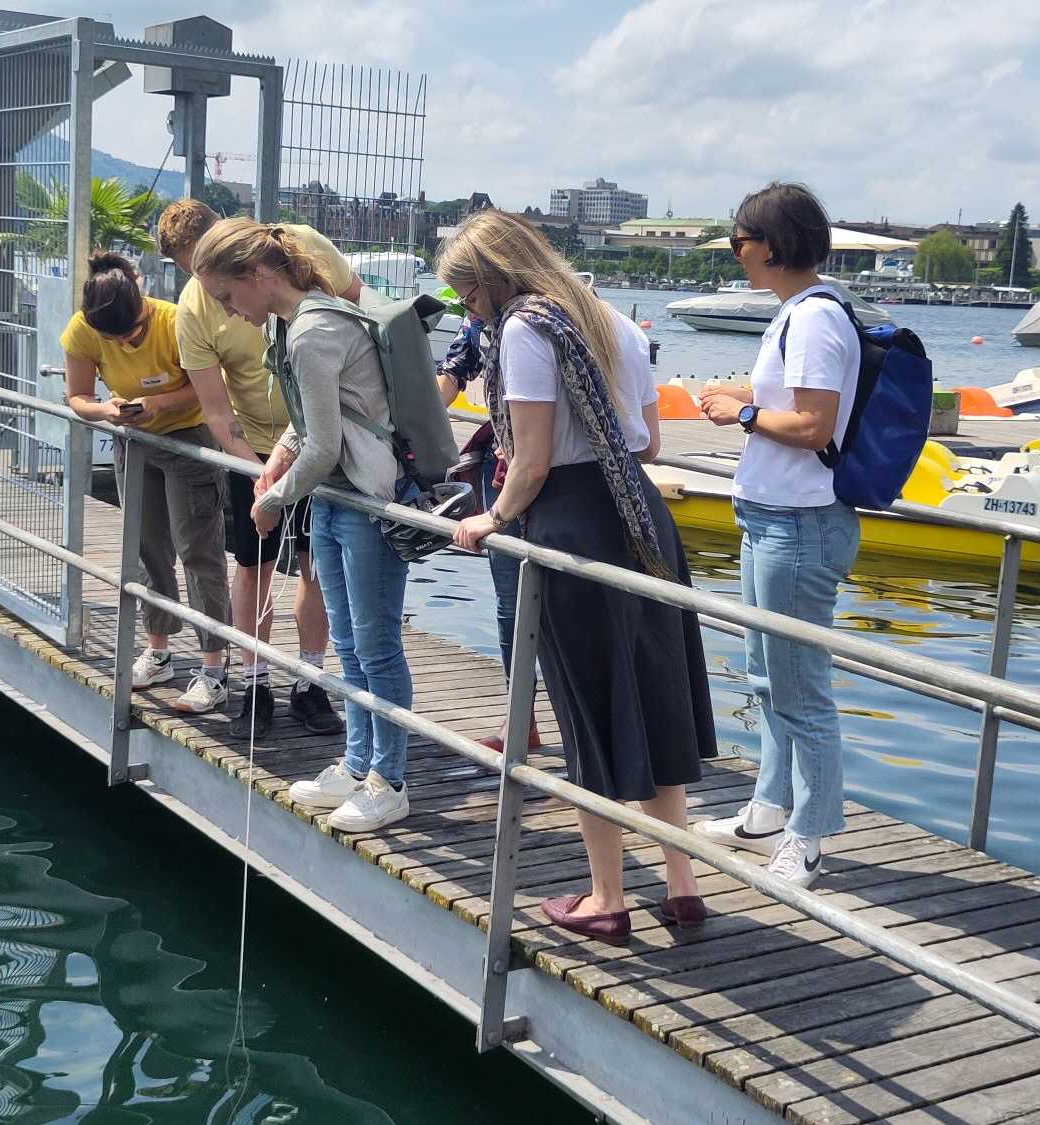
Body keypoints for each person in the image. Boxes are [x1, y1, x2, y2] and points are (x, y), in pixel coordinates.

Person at [441, 209, 716, 944]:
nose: (471, 312)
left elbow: (529, 462)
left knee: (586, 711)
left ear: (495, 279)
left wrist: (488, 518)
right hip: (641, 516)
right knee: (655, 697)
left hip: (572, 522)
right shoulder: (613, 323)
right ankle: (682, 887)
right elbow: (650, 442)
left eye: (469, 296)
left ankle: (606, 896)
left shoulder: (527, 329)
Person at [188, 218, 412, 833]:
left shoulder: (314, 331)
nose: (231, 314)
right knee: (347, 638)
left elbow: (324, 442)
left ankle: (387, 780)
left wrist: (274, 497)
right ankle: (360, 759)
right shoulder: (298, 326)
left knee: (375, 643)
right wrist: (279, 466)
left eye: (230, 299)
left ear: (259, 276)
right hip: (339, 499)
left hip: (365, 500)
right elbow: (308, 424)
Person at [694, 183, 863, 889]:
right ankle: (769, 805)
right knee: (766, 676)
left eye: (739, 240)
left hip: (800, 524)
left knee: (800, 687)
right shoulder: (793, 314)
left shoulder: (816, 319)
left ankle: (811, 833)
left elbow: (814, 426)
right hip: (769, 519)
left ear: (770, 243)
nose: (735, 253)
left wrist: (740, 414)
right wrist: (743, 399)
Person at [156, 199, 356, 735]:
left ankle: (311, 681)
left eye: (219, 279)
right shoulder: (194, 308)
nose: (219, 299)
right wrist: (261, 473)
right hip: (256, 450)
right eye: (193, 274)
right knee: (252, 566)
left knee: (317, 564)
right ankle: (254, 680)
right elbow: (216, 412)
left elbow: (361, 317)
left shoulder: (305, 250)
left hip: (324, 441)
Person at [62, 250, 234, 715]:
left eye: (133, 330)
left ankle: (214, 668)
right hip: (133, 442)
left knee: (199, 550)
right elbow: (77, 396)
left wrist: (156, 406)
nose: (128, 341)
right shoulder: (82, 329)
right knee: (144, 548)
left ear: (143, 305)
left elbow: (207, 386)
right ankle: (157, 650)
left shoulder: (175, 320)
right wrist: (108, 411)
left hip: (190, 441)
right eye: (115, 338)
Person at [436, 314, 538, 753]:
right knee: (511, 602)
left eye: (471, 292)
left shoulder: (535, 320)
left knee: (556, 602)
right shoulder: (480, 322)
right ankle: (521, 718)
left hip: (545, 470)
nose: (468, 304)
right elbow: (453, 372)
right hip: (503, 470)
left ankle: (557, 722)